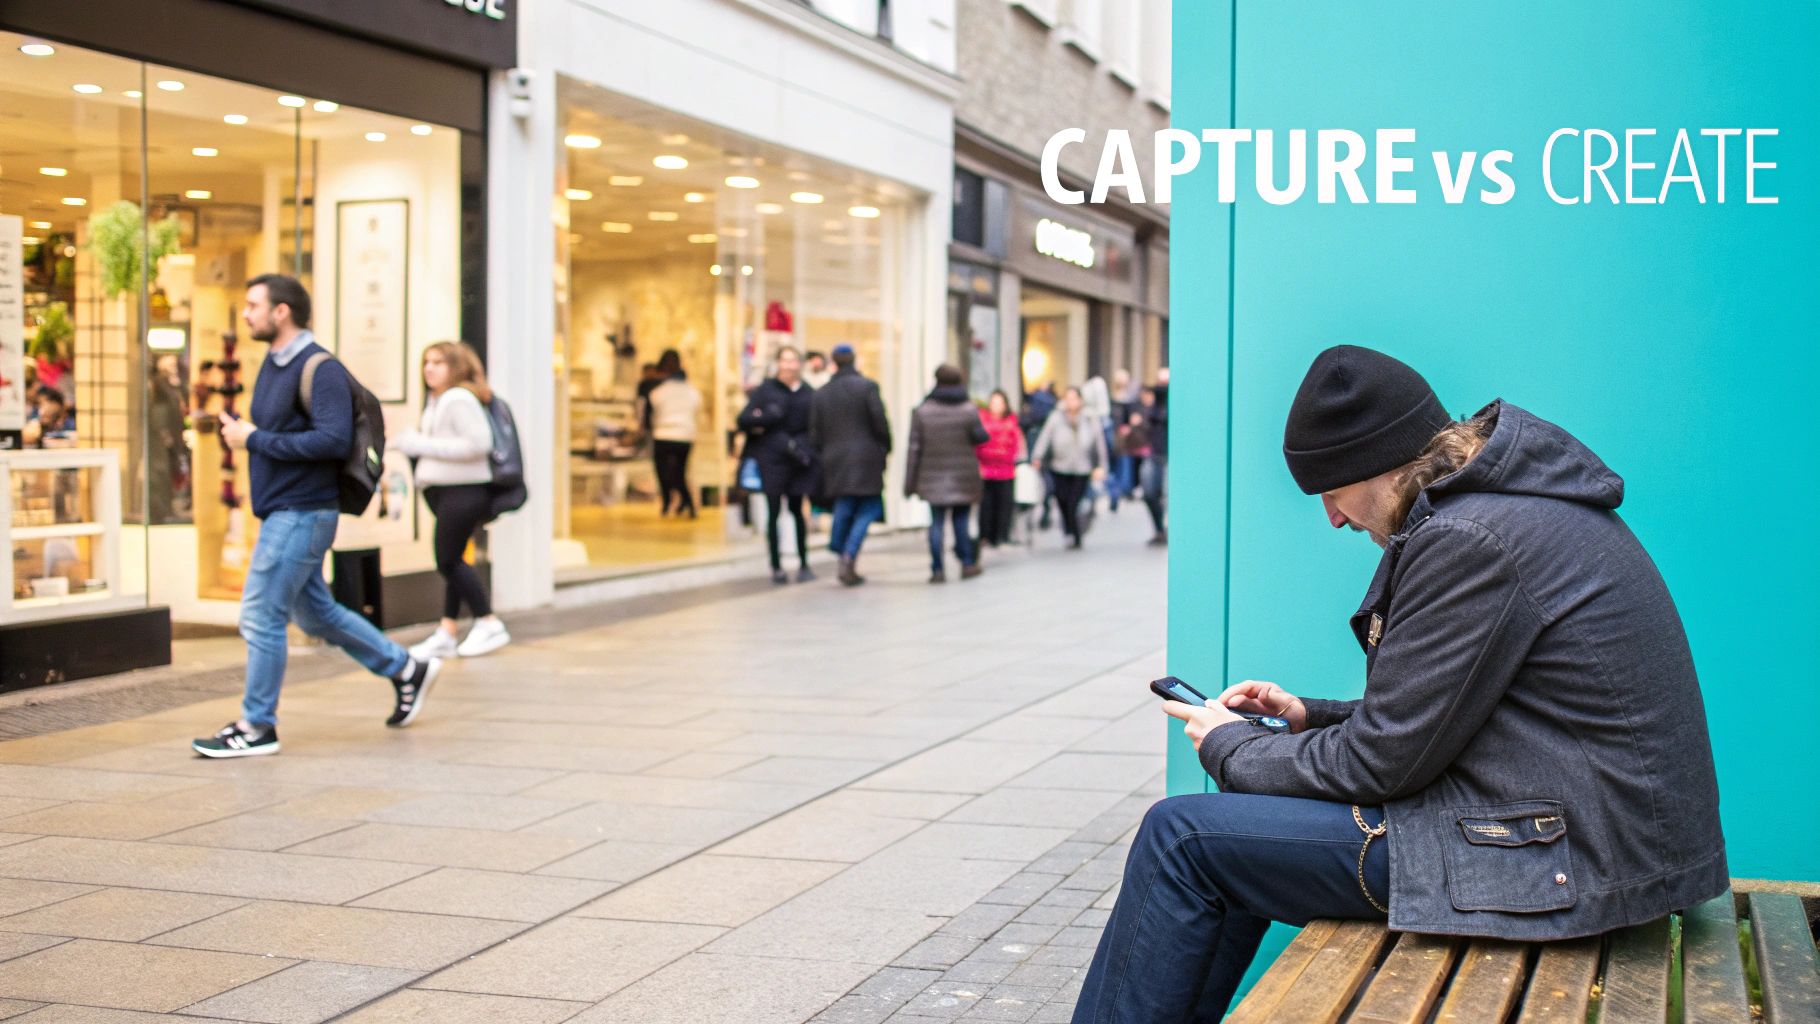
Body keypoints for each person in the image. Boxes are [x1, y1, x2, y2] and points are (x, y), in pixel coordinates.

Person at [1071, 346, 1726, 1023]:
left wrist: (1233, 747)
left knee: (1181, 838)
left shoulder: (1473, 538)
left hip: (1575, 860)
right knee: (1229, 835)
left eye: (1332, 490)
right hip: (1592, 843)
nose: (1332, 517)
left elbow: (1382, 761)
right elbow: (1441, 716)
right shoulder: (1502, 512)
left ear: (1378, 465)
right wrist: (1309, 718)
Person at [194, 274, 440, 758]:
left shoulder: (318, 368)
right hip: (284, 510)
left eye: (252, 305)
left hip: (303, 511)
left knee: (261, 614)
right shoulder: (272, 364)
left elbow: (331, 439)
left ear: (281, 311)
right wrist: (245, 435)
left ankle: (257, 726)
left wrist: (254, 439)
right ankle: (405, 667)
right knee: (317, 612)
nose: (246, 314)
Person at [391, 341, 511, 661]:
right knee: (456, 559)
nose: (429, 368)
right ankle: (447, 630)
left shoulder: (457, 398)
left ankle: (488, 620)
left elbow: (478, 444)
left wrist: (421, 444)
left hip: (463, 491)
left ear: (456, 366)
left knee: (448, 561)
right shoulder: (439, 399)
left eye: (439, 362)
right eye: (426, 361)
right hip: (450, 492)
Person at [809, 344, 891, 586]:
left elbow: (814, 433)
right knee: (869, 508)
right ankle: (848, 552)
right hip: (866, 459)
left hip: (835, 460)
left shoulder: (821, 393)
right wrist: (884, 448)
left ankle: (839, 547)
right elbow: (880, 423)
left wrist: (825, 453)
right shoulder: (867, 387)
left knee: (844, 505)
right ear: (854, 360)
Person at [737, 346, 818, 584]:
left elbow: (815, 427)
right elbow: (743, 419)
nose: (789, 366)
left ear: (799, 364)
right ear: (778, 363)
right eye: (785, 360)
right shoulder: (766, 390)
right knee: (773, 512)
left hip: (798, 461)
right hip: (772, 460)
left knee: (797, 510)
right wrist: (766, 418)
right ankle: (776, 565)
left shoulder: (808, 393)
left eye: (793, 361)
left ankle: (803, 562)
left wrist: (807, 449)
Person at [905, 364, 986, 582]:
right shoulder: (968, 409)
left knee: (936, 522)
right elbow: (981, 436)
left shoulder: (923, 410)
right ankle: (967, 563)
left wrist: (909, 483)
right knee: (960, 521)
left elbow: (914, 447)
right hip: (963, 475)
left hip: (932, 476)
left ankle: (937, 568)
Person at [1030, 387, 1107, 549]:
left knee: (1073, 503)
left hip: (1082, 468)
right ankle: (1069, 531)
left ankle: (1076, 535)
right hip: (1059, 466)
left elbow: (1099, 443)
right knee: (1062, 500)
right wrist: (1037, 456)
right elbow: (1045, 436)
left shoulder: (1089, 418)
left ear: (1080, 400)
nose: (1071, 402)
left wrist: (1101, 465)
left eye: (1074, 398)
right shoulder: (1056, 417)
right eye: (1068, 398)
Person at [647, 349, 703, 518]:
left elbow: (651, 413)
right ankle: (686, 503)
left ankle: (670, 504)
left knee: (665, 472)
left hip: (664, 435)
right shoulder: (691, 391)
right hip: (684, 435)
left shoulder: (658, 391)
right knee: (679, 472)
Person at [975, 389, 1024, 548]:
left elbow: (1016, 443)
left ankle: (1001, 535)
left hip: (1005, 469)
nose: (996, 406)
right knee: (986, 504)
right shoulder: (982, 419)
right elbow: (977, 443)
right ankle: (985, 535)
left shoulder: (1011, 421)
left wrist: (1015, 460)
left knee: (1004, 504)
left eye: (999, 402)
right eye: (993, 402)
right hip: (986, 468)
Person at [1020, 383, 1058, 528]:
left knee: (1036, 478)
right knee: (1045, 478)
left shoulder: (1034, 403)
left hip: (1035, 444)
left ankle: (1031, 506)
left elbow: (1023, 423)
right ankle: (1045, 506)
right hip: (1047, 452)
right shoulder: (1052, 405)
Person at [1141, 368, 1169, 545]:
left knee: (1168, 495)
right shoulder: (1153, 405)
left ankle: (1166, 530)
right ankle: (1159, 528)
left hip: (1171, 456)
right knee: (1149, 493)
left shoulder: (1179, 404)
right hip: (1154, 453)